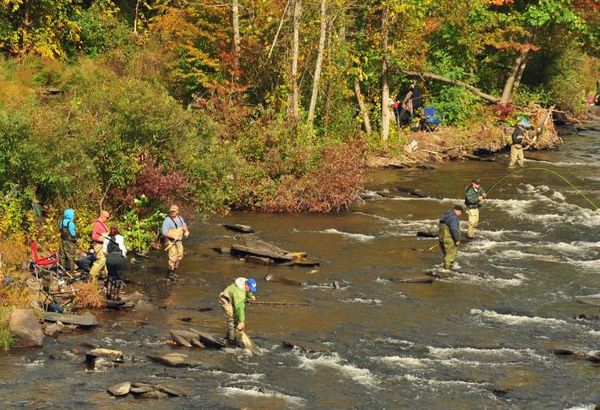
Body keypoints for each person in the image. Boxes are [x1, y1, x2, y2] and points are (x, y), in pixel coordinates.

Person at [219, 277, 257, 344]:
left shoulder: (245, 283)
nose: (250, 290)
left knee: (236, 319)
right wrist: (242, 321)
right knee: (232, 319)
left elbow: (247, 291)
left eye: (252, 289)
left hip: (233, 299)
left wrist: (250, 296)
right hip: (225, 300)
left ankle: (228, 336)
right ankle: (231, 340)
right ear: (246, 285)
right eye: (250, 289)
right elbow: (239, 307)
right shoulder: (239, 293)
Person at [161, 204, 190, 276]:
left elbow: (184, 226)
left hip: (179, 241)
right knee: (173, 257)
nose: (172, 213)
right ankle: (170, 273)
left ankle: (174, 270)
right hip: (170, 241)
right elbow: (164, 232)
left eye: (174, 211)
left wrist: (186, 231)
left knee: (180, 256)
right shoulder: (167, 221)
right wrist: (174, 237)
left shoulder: (180, 218)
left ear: (177, 211)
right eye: (171, 211)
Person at [103, 226, 127, 300]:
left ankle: (108, 294)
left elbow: (104, 251)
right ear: (117, 230)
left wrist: (109, 256)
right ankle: (116, 296)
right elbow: (123, 249)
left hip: (109, 258)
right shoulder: (120, 237)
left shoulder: (106, 238)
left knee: (110, 275)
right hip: (118, 258)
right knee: (118, 277)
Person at [438, 205, 464, 270]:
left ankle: (446, 268)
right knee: (450, 256)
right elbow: (454, 229)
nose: (460, 215)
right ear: (457, 210)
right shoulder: (454, 218)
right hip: (450, 239)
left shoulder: (445, 215)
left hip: (442, 239)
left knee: (446, 255)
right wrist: (457, 240)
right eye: (460, 213)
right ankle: (447, 271)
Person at [89, 210, 110, 282]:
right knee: (101, 261)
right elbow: (94, 236)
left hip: (103, 246)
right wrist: (105, 239)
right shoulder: (97, 224)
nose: (107, 219)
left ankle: (109, 279)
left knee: (106, 262)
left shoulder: (102, 224)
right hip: (99, 246)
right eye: (107, 217)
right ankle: (92, 278)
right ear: (103, 216)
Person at [58, 208, 78, 274]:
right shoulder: (71, 223)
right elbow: (73, 234)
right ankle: (71, 272)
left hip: (62, 241)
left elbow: (60, 230)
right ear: (70, 215)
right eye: (73, 214)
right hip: (70, 242)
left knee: (62, 257)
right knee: (70, 256)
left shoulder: (62, 222)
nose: (74, 215)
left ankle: (62, 271)